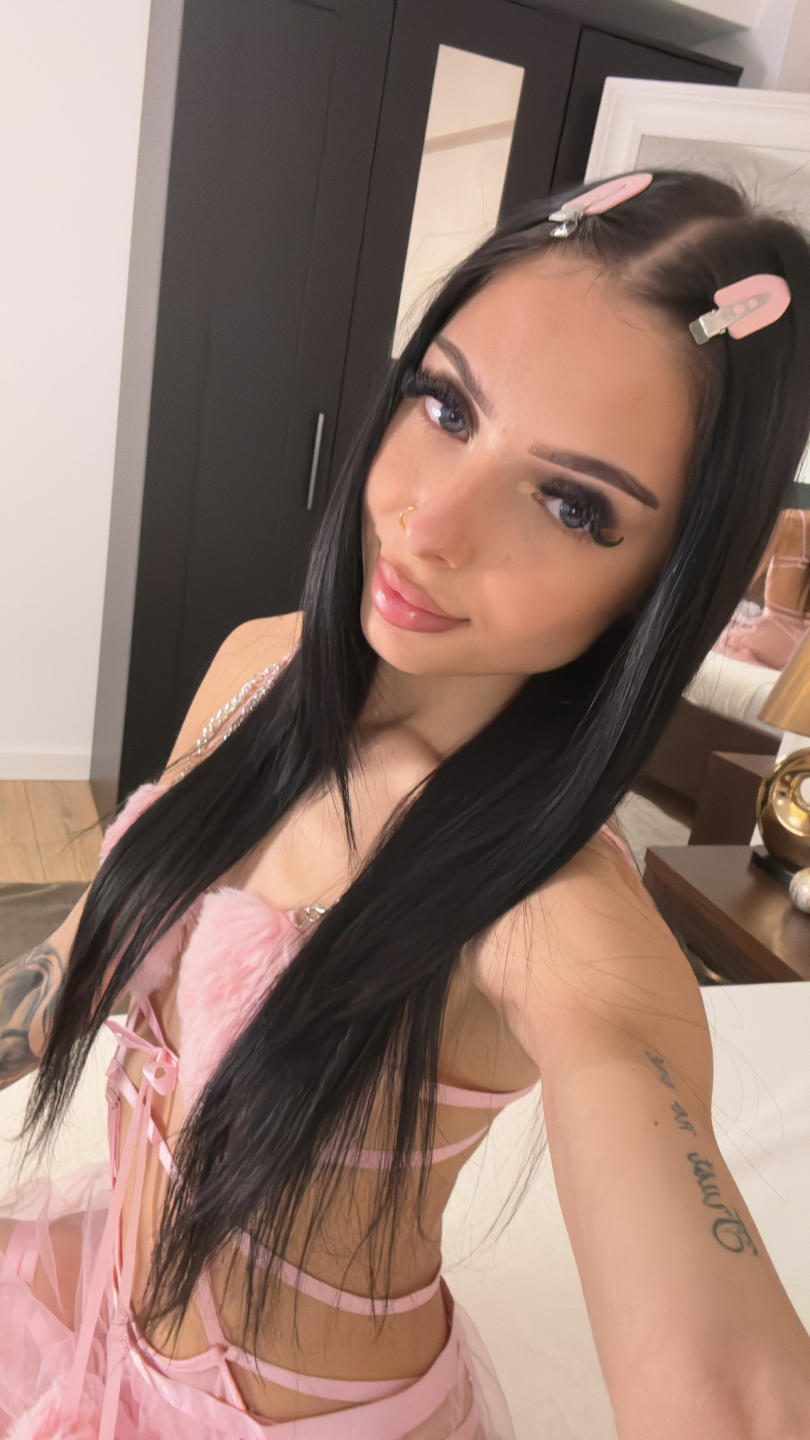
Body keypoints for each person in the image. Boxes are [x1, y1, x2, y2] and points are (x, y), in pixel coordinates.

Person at [2, 167, 810, 1439]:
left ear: (664, 583)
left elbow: (733, 1392)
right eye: (446, 404)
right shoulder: (258, 667)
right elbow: (73, 965)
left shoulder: (556, 917)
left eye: (571, 504)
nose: (429, 523)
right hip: (98, 1299)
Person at [713, 505, 810, 669]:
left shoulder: (791, 521)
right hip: (803, 653)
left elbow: (742, 581)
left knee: (719, 637)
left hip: (775, 638)